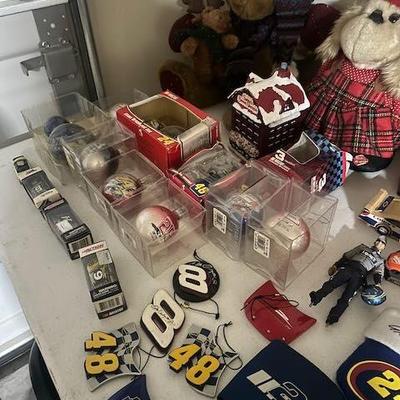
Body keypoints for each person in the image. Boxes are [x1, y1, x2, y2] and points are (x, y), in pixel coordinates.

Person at [309, 236, 386, 325]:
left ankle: (334, 315)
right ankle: (317, 297)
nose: (379, 243)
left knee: (347, 296)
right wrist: (336, 265)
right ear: (375, 241)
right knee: (331, 283)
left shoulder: (380, 260)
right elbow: (348, 255)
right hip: (348, 268)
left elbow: (378, 272)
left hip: (360, 276)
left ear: (384, 247)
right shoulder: (362, 247)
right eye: (378, 240)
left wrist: (378, 283)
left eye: (382, 243)